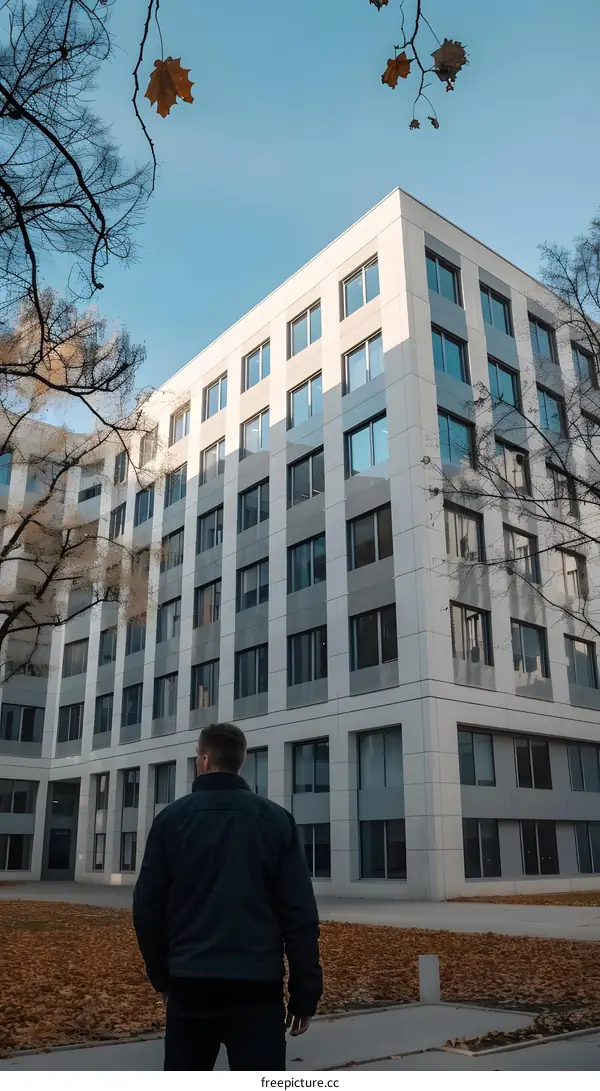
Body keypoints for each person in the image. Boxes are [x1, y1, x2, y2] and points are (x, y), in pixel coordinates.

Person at [132, 722, 323, 1072]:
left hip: (190, 986)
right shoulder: (277, 821)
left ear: (204, 759)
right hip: (257, 989)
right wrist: (304, 993)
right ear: (241, 761)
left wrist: (161, 978)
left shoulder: (171, 821)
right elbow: (299, 915)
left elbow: (147, 909)